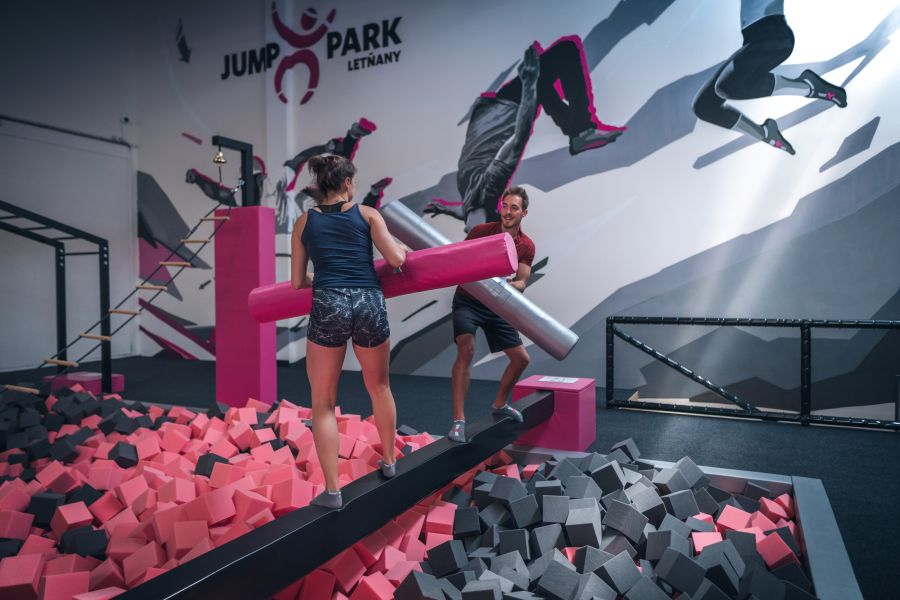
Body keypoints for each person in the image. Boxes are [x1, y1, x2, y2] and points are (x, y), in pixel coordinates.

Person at [290, 154, 407, 508]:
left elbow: (297, 282)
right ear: (346, 183)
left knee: (323, 401)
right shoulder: (368, 214)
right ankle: (389, 462)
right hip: (368, 300)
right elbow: (396, 260)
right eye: (354, 182)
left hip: (329, 302)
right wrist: (401, 249)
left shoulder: (305, 221)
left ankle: (332, 492)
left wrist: (326, 276)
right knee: (380, 386)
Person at [425, 38, 625, 231]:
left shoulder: (470, 207)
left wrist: (445, 208)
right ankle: (581, 131)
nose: (468, 232)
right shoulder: (491, 187)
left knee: (542, 83)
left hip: (494, 113)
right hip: (505, 112)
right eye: (476, 233)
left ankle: (578, 131)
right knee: (565, 51)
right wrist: (529, 82)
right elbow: (519, 138)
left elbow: (463, 211)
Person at [693, 0, 847, 155]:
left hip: (774, 35)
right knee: (704, 107)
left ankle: (808, 87)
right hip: (752, 43)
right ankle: (765, 133)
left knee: (726, 86)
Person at [447, 186, 535, 442]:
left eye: (514, 208)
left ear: (524, 213)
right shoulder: (480, 231)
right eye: (505, 206)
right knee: (466, 349)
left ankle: (499, 404)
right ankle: (458, 421)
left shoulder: (527, 245)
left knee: (521, 359)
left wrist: (508, 285)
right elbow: (459, 259)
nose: (507, 212)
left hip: (497, 304)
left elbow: (522, 282)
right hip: (468, 300)